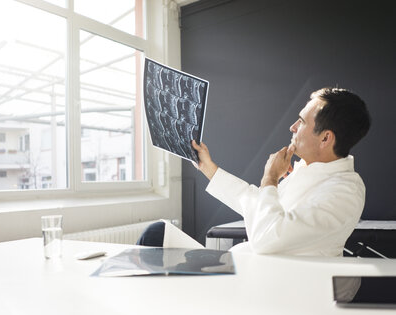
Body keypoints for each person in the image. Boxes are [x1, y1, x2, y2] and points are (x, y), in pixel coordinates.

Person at [138, 87, 371, 257]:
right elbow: (258, 205)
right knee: (157, 233)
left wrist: (270, 179)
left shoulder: (345, 191)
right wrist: (208, 167)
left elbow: (267, 238)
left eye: (300, 122)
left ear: (325, 138)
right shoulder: (307, 170)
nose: (292, 127)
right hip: (245, 267)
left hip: (267, 282)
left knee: (155, 241)